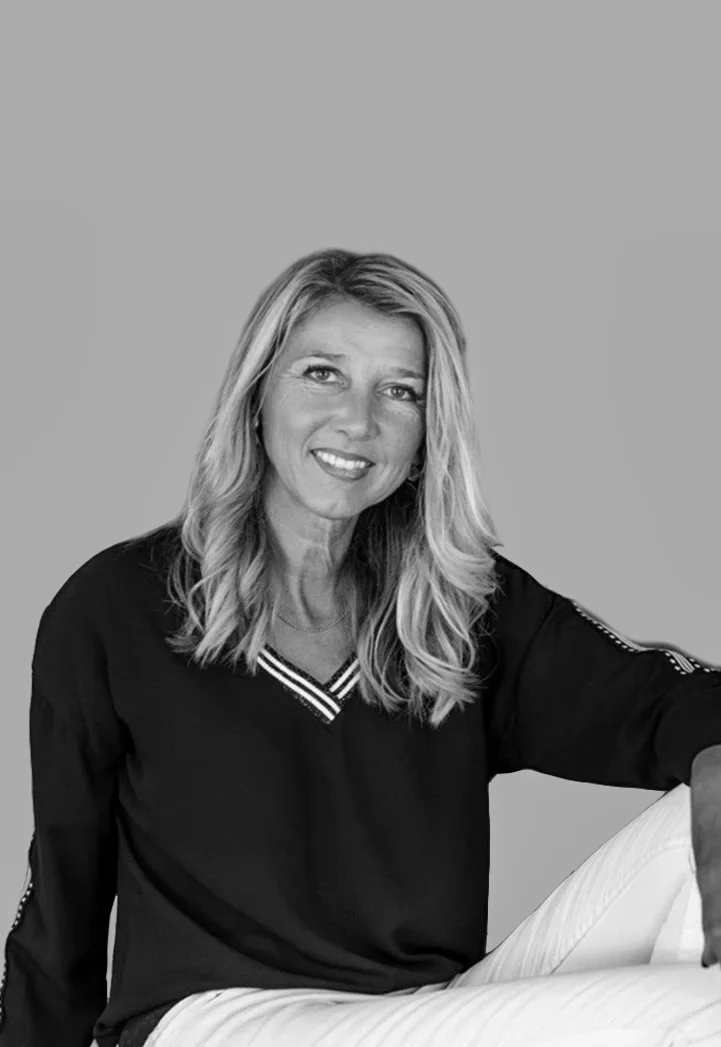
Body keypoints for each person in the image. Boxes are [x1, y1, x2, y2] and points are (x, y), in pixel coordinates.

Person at [1, 248, 720, 1047]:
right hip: (219, 1022)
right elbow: (61, 890)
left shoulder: (462, 606)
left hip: (423, 1012)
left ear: (425, 432)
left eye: (399, 391)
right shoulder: (119, 604)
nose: (358, 420)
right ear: (257, 394)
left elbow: (668, 700)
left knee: (703, 799)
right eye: (322, 373)